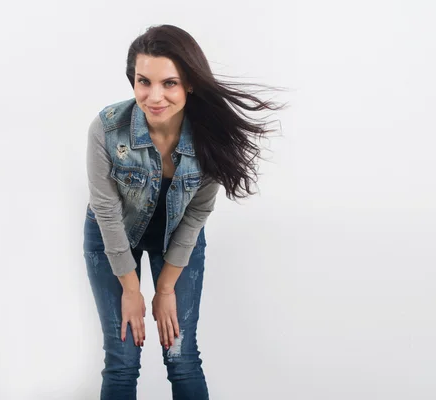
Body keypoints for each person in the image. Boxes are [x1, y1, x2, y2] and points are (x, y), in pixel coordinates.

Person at [83, 24, 286, 400]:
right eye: (144, 81)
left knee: (181, 356)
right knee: (122, 361)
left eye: (169, 83)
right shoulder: (108, 129)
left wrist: (165, 288)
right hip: (112, 237)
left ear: (189, 83)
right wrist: (131, 289)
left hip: (177, 240)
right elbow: (107, 213)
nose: (154, 96)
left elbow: (194, 217)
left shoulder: (213, 139)